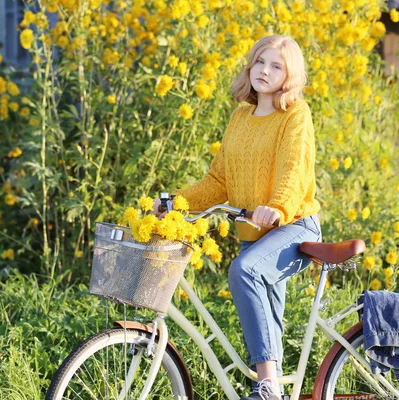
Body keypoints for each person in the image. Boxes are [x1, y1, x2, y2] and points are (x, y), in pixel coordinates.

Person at [154, 34, 321, 400]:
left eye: (276, 66)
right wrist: (174, 202)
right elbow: (218, 181)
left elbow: (294, 170)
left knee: (244, 269)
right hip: (254, 234)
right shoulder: (240, 116)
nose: (264, 71)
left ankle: (268, 386)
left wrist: (277, 207)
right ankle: (270, 384)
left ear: (289, 75)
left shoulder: (295, 114)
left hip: (292, 229)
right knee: (265, 329)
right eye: (260, 61)